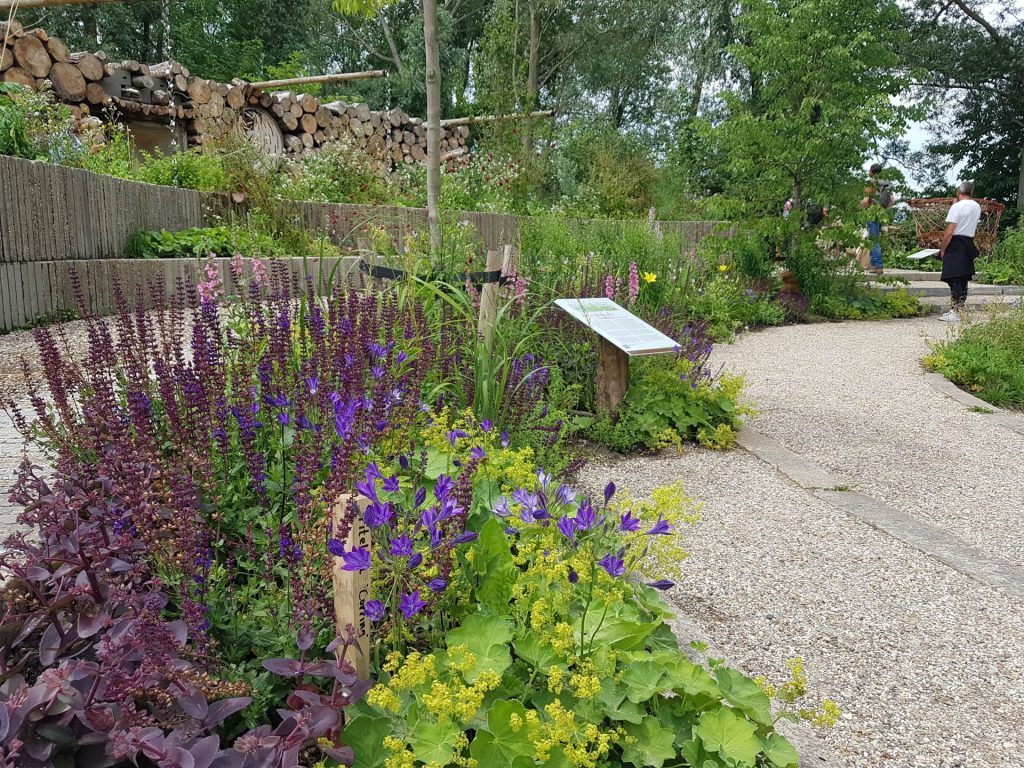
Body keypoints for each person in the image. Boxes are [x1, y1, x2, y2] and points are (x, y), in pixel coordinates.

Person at [936, 180, 982, 323]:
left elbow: (950, 231)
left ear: (958, 191)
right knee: (963, 277)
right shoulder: (976, 206)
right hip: (968, 241)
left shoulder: (957, 206)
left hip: (956, 242)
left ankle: (955, 311)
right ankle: (959, 309)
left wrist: (942, 249)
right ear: (971, 192)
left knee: (953, 276)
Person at [860, 163, 894, 275]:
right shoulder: (887, 183)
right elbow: (892, 201)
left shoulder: (872, 182)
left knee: (874, 240)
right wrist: (884, 210)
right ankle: (873, 265)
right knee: (873, 238)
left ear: (872, 171)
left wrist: (858, 207)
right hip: (882, 214)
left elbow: (866, 200)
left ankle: (878, 265)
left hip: (872, 213)